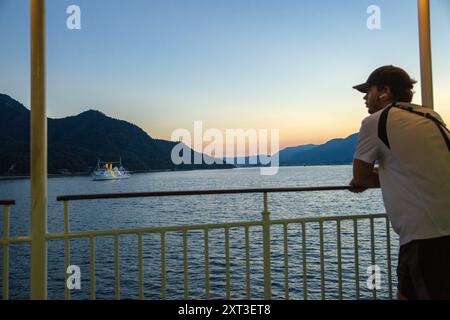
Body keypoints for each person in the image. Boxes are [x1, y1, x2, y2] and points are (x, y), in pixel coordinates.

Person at [350, 65, 450, 300]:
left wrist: (375, 175)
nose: (365, 98)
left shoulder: (375, 121)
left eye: (368, 90)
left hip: (425, 237)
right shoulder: (431, 116)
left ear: (385, 91)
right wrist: (388, 171)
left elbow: (361, 177)